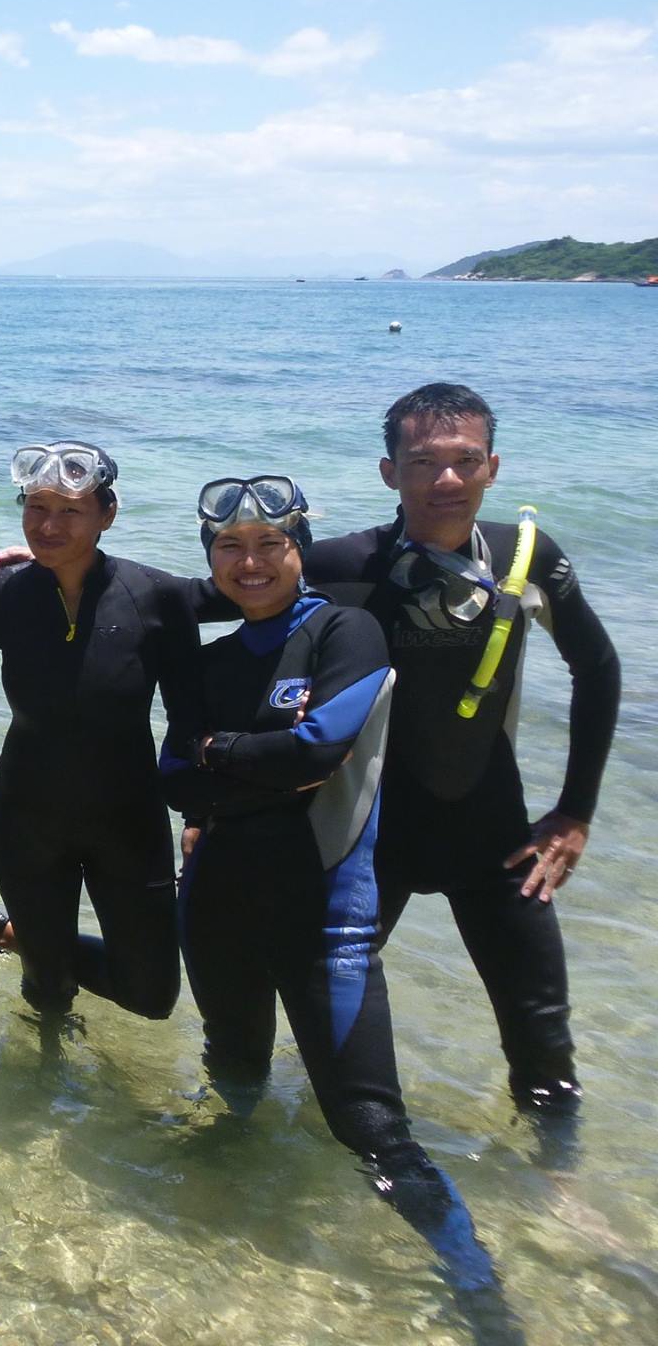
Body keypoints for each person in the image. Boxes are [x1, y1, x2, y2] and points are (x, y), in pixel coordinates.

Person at [160, 475, 502, 1295]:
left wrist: (222, 754)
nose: (249, 562)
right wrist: (261, 764)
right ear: (211, 559)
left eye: (269, 544)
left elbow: (319, 749)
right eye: (229, 547)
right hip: (215, 905)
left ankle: (478, 1292)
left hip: (325, 920)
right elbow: (174, 777)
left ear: (299, 551)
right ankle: (219, 1243)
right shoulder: (210, 659)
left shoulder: (347, 632)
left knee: (372, 1127)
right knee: (235, 1075)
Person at [292, 382, 618, 1116]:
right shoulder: (340, 566)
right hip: (372, 838)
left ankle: (554, 1172)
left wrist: (575, 813)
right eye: (423, 462)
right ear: (389, 472)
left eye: (466, 460)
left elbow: (597, 667)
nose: (447, 479)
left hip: (492, 835)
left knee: (544, 1044)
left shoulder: (524, 557)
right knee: (327, 1020)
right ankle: (342, 1146)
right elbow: (220, 606)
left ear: (492, 468)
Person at [0, 443, 196, 1023]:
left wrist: (199, 816)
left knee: (151, 996)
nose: (48, 525)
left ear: (107, 514)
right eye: (36, 507)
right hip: (26, 817)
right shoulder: (3, 593)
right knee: (48, 991)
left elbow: (190, 720)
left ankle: (5, 933)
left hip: (129, 821)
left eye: (70, 511)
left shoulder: (156, 596)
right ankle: (41, 1071)